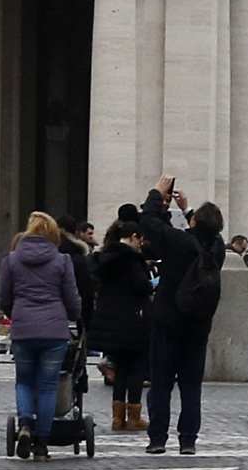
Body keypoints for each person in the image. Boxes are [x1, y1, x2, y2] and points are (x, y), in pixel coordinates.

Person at [137, 189, 225, 456]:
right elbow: (209, 233)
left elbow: (149, 223)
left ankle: (158, 439)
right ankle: (188, 440)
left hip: (168, 320)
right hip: (198, 325)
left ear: (195, 223)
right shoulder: (217, 248)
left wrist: (156, 193)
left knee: (161, 383)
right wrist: (187, 211)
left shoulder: (178, 242)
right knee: (190, 386)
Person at [0, 212, 79, 445]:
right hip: (54, 330)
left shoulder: (11, 260)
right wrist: (73, 317)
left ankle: (25, 424)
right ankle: (42, 441)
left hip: (23, 328)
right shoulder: (62, 261)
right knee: (47, 386)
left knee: (23, 381)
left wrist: (14, 314)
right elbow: (71, 298)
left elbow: (4, 297)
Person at [85, 209, 151, 436]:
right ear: (133, 236)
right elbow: (142, 286)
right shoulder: (131, 259)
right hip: (131, 318)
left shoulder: (106, 256)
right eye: (140, 239)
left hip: (110, 320)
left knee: (120, 368)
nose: (141, 244)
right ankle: (133, 416)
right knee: (136, 368)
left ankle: (117, 417)